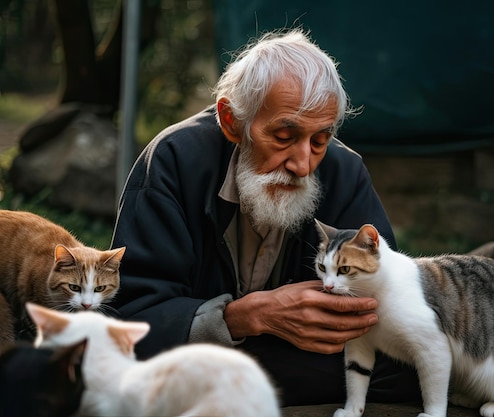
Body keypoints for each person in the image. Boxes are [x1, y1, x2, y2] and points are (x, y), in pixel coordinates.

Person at [110, 28, 419, 406]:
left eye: (320, 141)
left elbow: (386, 308)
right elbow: (133, 318)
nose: (303, 165)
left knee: (404, 365)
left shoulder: (344, 171)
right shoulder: (175, 161)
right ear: (231, 121)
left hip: (288, 365)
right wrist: (241, 318)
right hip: (200, 357)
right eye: (284, 137)